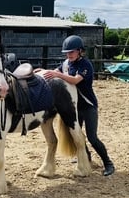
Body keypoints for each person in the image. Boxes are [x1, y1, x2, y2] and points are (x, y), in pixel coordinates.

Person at [39, 35, 115, 176]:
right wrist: (42, 71)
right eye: (67, 53)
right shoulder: (67, 63)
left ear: (80, 51)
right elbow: (56, 71)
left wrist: (58, 74)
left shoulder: (85, 65)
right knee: (77, 134)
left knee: (92, 137)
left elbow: (74, 80)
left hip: (88, 106)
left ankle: (108, 163)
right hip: (75, 107)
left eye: (72, 52)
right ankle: (86, 157)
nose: (69, 55)